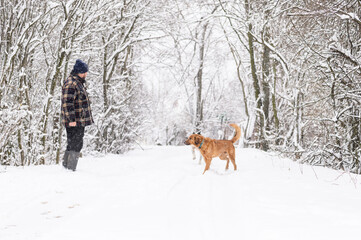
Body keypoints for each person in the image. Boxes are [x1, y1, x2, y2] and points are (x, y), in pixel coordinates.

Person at [61, 59, 94, 171]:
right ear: (78, 72)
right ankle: (70, 169)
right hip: (74, 120)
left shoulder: (77, 82)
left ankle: (67, 168)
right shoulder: (71, 83)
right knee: (75, 144)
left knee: (74, 143)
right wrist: (71, 119)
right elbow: (67, 102)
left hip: (79, 120)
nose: (85, 74)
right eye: (84, 72)